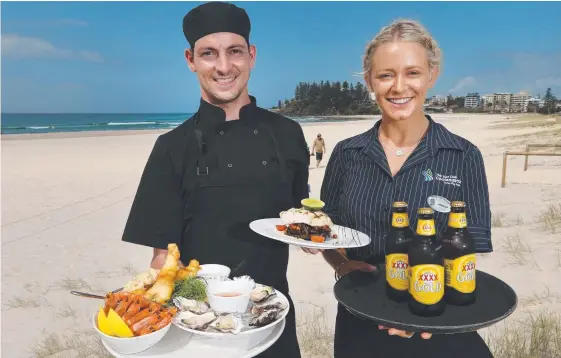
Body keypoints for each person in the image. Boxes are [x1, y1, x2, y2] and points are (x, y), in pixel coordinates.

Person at [121, 2, 308, 357]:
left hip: (271, 320)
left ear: (251, 56)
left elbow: (296, 220)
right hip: (198, 329)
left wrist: (315, 239)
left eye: (234, 51)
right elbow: (163, 259)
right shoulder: (171, 147)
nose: (224, 66)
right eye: (209, 54)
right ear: (191, 60)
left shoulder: (288, 134)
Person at [304, 19, 493, 357]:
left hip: (436, 318)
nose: (399, 86)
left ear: (431, 76)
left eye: (413, 73)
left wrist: (427, 310)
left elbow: (468, 248)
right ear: (369, 82)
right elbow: (329, 229)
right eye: (386, 75)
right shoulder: (348, 153)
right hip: (360, 314)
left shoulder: (463, 155)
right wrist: (338, 263)